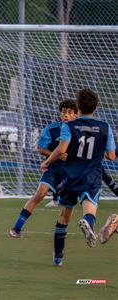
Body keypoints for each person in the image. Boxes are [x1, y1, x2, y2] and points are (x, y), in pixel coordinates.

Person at [40, 88, 116, 266]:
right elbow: (112, 156)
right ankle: (88, 223)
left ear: (78, 107)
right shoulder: (105, 127)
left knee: (64, 217)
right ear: (96, 106)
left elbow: (61, 150)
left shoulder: (69, 126)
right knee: (90, 210)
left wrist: (47, 162)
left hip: (70, 176)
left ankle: (58, 257)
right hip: (91, 176)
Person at [9, 100, 77, 238]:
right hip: (53, 169)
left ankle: (64, 230)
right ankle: (16, 228)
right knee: (40, 194)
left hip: (71, 172)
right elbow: (41, 149)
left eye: (70, 112)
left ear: (76, 115)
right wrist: (57, 155)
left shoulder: (79, 130)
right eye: (64, 111)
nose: (66, 115)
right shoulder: (51, 129)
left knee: (71, 204)